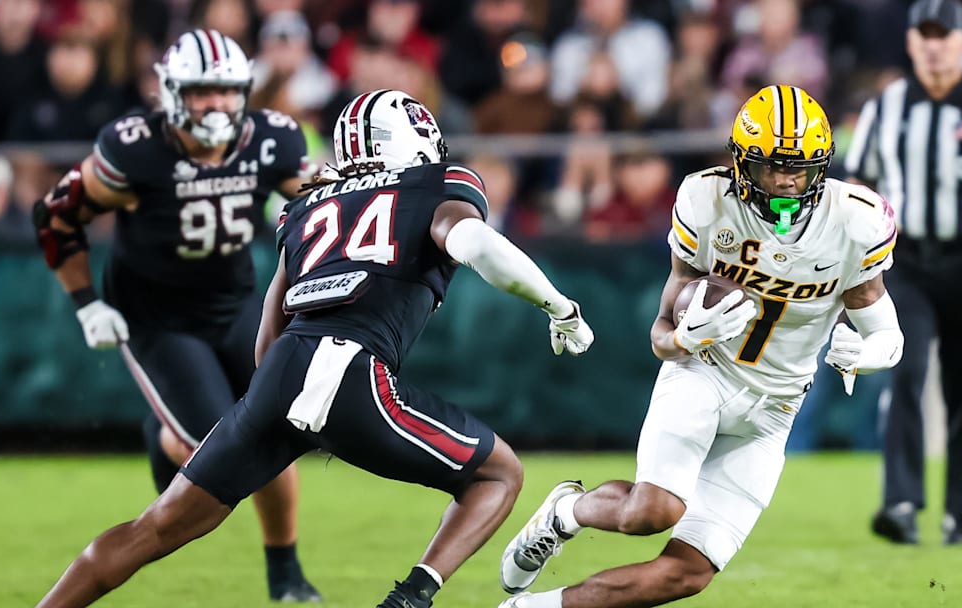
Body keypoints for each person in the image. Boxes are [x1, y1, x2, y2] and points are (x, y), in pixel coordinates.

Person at [34, 88, 595, 608]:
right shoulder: (440, 184)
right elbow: (473, 242)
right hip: (350, 369)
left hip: (280, 373)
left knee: (153, 527)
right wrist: (558, 306)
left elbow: (268, 332)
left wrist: (279, 413)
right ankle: (410, 599)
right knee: (498, 475)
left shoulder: (306, 206)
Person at [497, 85, 905, 608]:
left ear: (822, 167)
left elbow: (887, 333)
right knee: (651, 513)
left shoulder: (854, 222)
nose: (784, 181)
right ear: (740, 162)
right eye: (770, 166)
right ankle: (566, 513)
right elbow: (662, 332)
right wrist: (685, 337)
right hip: (706, 374)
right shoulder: (707, 201)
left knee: (685, 575)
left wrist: (868, 354)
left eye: (798, 168)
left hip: (776, 409)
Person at [32, 29, 321, 601]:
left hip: (237, 303)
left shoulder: (272, 139)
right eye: (201, 92)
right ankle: (171, 438)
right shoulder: (136, 147)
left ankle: (284, 570)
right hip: (157, 317)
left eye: (226, 91)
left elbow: (322, 201)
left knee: (277, 429)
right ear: (172, 93)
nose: (216, 105)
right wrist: (86, 303)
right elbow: (56, 217)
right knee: (220, 443)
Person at [843, 0, 962, 546]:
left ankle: (960, 515)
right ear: (909, 42)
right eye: (923, 33)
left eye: (942, 33)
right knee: (902, 367)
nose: (932, 44)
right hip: (905, 263)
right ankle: (901, 502)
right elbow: (859, 190)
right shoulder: (888, 106)